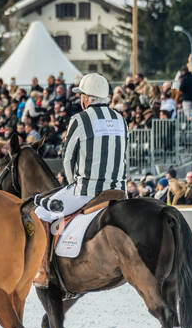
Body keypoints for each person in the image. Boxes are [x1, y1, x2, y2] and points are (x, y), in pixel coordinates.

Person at [34, 73, 128, 224]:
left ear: (86, 98)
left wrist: (73, 185)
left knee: (40, 213)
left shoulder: (80, 119)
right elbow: (125, 157)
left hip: (88, 191)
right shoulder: (120, 119)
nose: (80, 99)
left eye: (81, 95)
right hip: (120, 190)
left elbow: (68, 158)